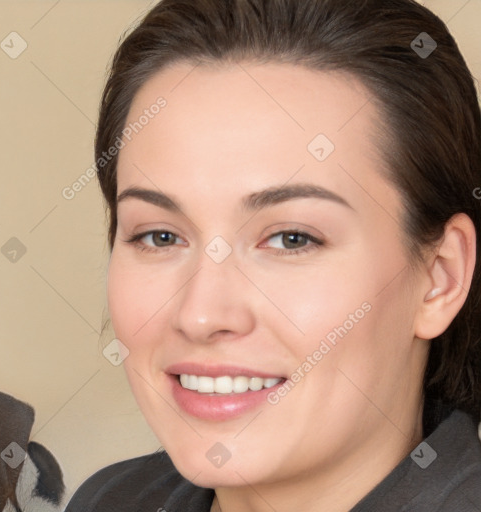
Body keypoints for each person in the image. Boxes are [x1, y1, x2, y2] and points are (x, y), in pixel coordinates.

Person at [66, 0, 481, 510]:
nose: (201, 315)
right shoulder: (111, 501)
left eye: (291, 238)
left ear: (440, 277)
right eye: (160, 236)